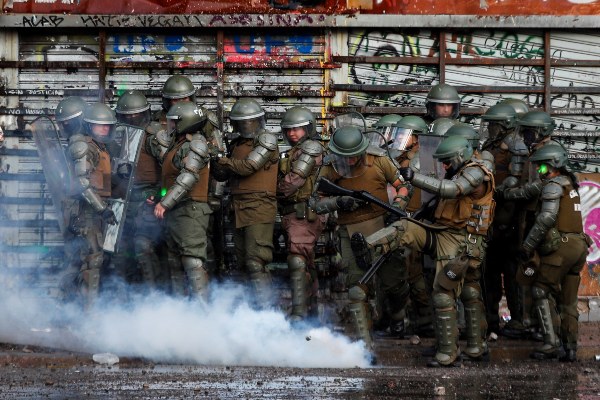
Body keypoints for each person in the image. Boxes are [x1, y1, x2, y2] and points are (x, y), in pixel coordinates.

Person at [352, 136, 494, 366]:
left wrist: (414, 177)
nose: (444, 166)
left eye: (447, 162)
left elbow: (453, 190)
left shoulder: (477, 172)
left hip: (462, 241)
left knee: (444, 292)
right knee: (405, 227)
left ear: (459, 155)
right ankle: (369, 246)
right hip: (442, 233)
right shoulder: (458, 171)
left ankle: (449, 353)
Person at [310, 126, 407, 349]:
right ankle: (365, 346)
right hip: (351, 231)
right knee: (356, 290)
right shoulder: (330, 167)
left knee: (395, 284)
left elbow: (402, 187)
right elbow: (314, 203)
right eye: (346, 157)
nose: (350, 160)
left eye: (354, 155)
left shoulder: (380, 161)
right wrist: (339, 202)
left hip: (384, 227)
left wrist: (397, 208)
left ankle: (396, 319)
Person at [517, 143, 589, 361]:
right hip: (579, 246)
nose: (539, 171)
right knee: (568, 301)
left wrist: (528, 245)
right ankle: (571, 347)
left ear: (553, 165)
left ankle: (551, 343)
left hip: (562, 249)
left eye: (541, 167)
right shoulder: (571, 184)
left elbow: (547, 218)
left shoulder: (554, 185)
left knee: (540, 291)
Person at [212, 99, 279, 307]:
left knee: (256, 261)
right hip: (238, 208)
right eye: (242, 122)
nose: (246, 126)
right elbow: (223, 176)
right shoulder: (237, 144)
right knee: (241, 264)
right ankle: (247, 315)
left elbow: (249, 166)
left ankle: (267, 314)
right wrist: (213, 158)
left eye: (250, 122)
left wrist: (223, 161)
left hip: (259, 207)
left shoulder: (266, 139)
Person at [154, 102, 213, 299]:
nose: (169, 124)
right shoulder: (178, 144)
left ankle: (202, 315)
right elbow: (171, 178)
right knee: (174, 261)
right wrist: (159, 197)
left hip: (191, 210)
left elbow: (188, 177)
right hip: (177, 212)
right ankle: (180, 316)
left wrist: (164, 203)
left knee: (192, 261)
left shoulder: (195, 144)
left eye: (174, 121)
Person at [480, 102, 529, 337]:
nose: (489, 128)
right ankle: (490, 320)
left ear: (505, 125)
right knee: (489, 274)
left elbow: (514, 182)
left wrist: (494, 190)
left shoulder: (516, 147)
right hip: (491, 219)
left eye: (493, 124)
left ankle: (517, 321)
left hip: (509, 221)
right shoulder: (489, 146)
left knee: (512, 276)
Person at [67, 103, 119, 310]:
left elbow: (102, 180)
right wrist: (102, 209)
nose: (105, 129)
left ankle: (88, 312)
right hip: (88, 212)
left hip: (98, 212)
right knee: (92, 261)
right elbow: (82, 184)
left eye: (107, 126)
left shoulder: (100, 147)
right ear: (89, 126)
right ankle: (87, 315)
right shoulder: (85, 147)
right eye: (100, 126)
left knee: (96, 261)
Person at [277, 106, 326, 320]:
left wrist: (269, 191)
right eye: (288, 129)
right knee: (305, 262)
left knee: (297, 260)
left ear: (308, 128)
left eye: (297, 128)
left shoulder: (311, 148)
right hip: (296, 214)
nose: (292, 133)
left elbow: (293, 182)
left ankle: (298, 314)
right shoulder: (295, 150)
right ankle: (311, 312)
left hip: (305, 214)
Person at [113, 90, 164, 290]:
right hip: (123, 203)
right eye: (127, 116)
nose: (132, 119)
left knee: (144, 249)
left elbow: (170, 172)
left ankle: (154, 300)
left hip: (147, 204)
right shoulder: (117, 136)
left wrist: (161, 196)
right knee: (121, 252)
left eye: (136, 115)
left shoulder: (155, 136)